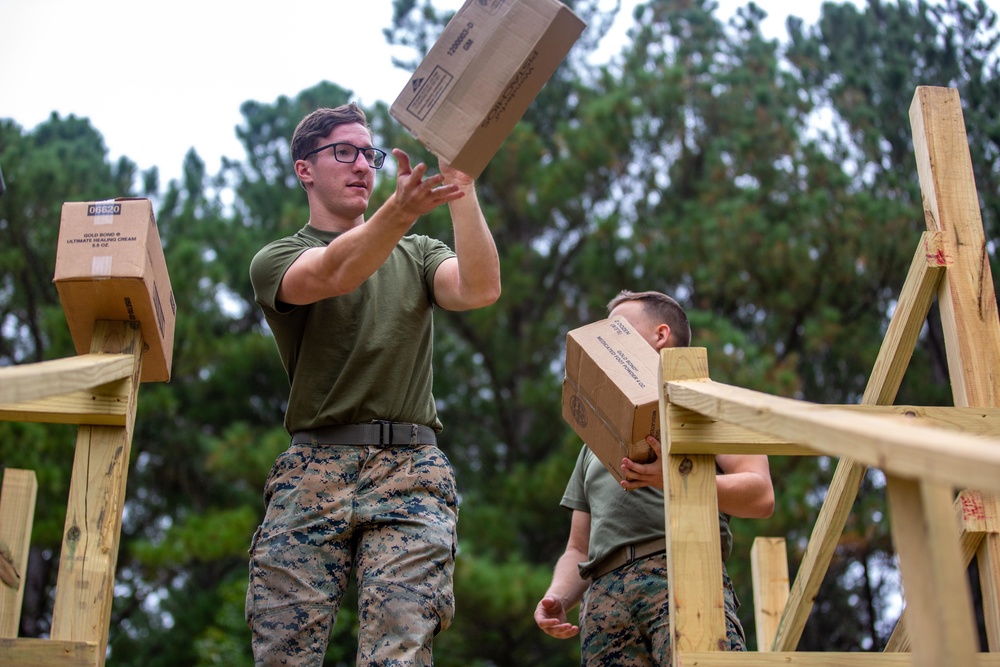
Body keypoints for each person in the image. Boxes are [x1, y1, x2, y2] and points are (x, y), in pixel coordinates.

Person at [245, 102, 501, 666]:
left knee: (399, 655)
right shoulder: (278, 258)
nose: (363, 165)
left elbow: (480, 288)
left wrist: (462, 186)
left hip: (411, 472)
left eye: (369, 154)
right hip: (314, 470)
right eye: (344, 152)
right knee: (284, 654)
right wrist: (399, 211)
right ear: (304, 169)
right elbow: (336, 271)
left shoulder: (419, 252)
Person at [535, 290, 774, 666]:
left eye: (617, 330)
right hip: (605, 602)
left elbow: (760, 496)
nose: (603, 343)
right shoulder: (596, 441)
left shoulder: (710, 406)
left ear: (661, 335)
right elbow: (578, 549)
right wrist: (558, 597)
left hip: (683, 572)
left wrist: (674, 479)